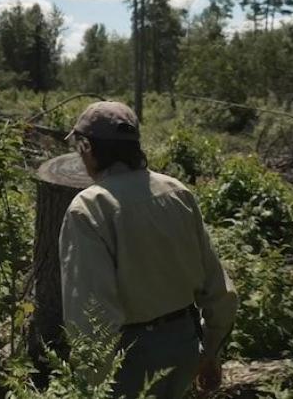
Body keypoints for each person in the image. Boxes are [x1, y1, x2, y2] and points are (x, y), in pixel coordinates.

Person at [58, 101, 238, 398]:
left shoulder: (90, 208)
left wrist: (93, 383)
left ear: (88, 147)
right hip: (185, 346)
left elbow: (91, 312)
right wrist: (210, 349)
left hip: (129, 361)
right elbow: (220, 290)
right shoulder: (176, 192)